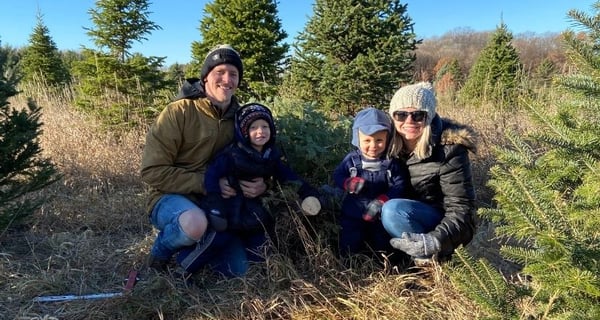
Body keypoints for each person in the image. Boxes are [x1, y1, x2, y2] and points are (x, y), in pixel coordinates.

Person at [140, 44, 268, 277]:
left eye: (234, 74)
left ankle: (189, 251)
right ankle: (159, 255)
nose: (227, 79)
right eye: (220, 72)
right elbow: (152, 171)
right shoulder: (178, 112)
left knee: (239, 271)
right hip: (169, 197)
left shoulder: (240, 119)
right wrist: (206, 183)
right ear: (206, 76)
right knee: (193, 223)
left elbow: (256, 158)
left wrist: (262, 184)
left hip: (217, 203)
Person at [176, 102, 322, 274]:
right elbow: (212, 176)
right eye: (253, 127)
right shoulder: (231, 155)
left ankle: (253, 265)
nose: (260, 131)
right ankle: (183, 267)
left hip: (253, 213)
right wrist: (215, 206)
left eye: (265, 126)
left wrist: (309, 193)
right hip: (228, 211)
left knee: (262, 255)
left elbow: (289, 177)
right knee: (215, 242)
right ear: (244, 132)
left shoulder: (271, 156)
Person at [381, 82, 477, 266]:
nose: (409, 121)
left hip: (440, 224)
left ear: (429, 117)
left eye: (418, 115)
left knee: (393, 211)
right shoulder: (385, 143)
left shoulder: (450, 149)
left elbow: (462, 210)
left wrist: (434, 241)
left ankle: (429, 264)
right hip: (405, 217)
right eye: (401, 114)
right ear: (392, 117)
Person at [333, 107, 409, 258]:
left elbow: (400, 185)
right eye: (367, 140)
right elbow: (338, 175)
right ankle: (349, 263)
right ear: (357, 139)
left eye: (379, 140)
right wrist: (348, 183)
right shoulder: (352, 160)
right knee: (349, 241)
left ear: (387, 139)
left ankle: (384, 265)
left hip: (380, 214)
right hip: (353, 212)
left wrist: (383, 201)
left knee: (382, 243)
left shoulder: (391, 162)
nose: (373, 145)